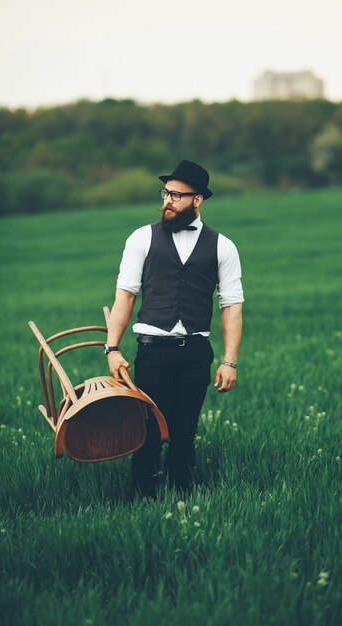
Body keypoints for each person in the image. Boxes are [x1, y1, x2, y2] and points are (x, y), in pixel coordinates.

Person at [105, 160, 244, 498]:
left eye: (177, 195)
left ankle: (182, 498)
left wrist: (229, 360)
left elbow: (232, 305)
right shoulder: (141, 238)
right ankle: (142, 500)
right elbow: (125, 296)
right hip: (153, 351)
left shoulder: (223, 246)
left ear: (198, 200)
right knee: (148, 430)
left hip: (197, 353)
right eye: (166, 192)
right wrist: (112, 348)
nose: (168, 200)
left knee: (184, 432)